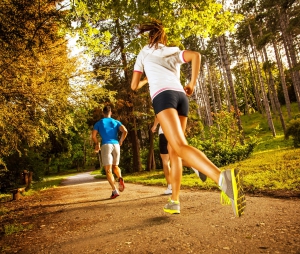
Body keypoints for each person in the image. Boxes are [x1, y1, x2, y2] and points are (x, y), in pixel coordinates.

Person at [131, 20, 245, 216]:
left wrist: (146, 80)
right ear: (163, 38)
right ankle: (174, 200)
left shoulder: (144, 52)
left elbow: (134, 86)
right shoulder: (173, 50)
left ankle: (222, 179)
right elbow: (196, 56)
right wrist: (192, 83)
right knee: (174, 150)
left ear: (150, 37)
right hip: (181, 97)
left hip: (163, 96)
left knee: (179, 146)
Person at [151, 117, 207, 195]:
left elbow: (158, 116)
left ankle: (170, 187)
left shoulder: (162, 105)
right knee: (175, 158)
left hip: (164, 133)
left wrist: (154, 125)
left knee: (165, 161)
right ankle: (195, 166)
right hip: (175, 132)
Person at [92, 106, 128, 199]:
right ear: (110, 112)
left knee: (108, 170)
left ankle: (114, 190)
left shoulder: (99, 123)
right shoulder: (116, 122)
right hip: (116, 145)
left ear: (103, 113)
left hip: (106, 145)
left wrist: (97, 144)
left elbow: (93, 136)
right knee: (115, 166)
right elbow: (125, 131)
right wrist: (121, 141)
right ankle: (120, 177)